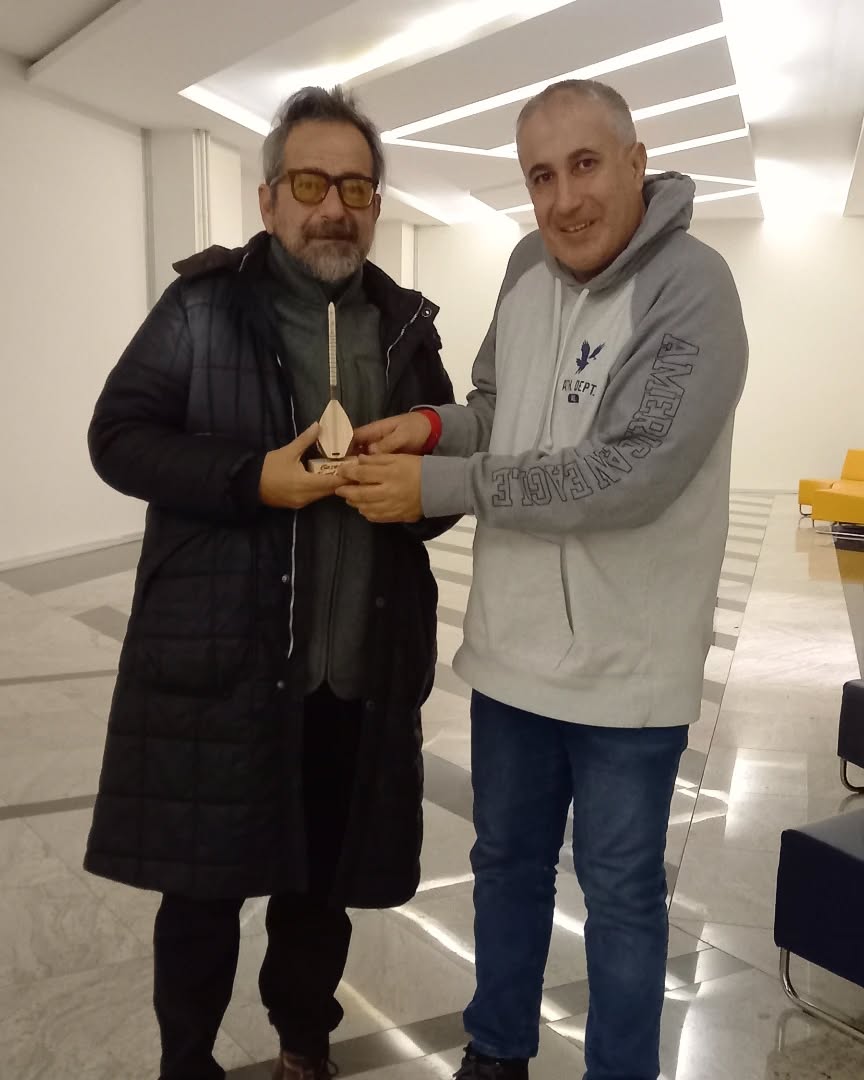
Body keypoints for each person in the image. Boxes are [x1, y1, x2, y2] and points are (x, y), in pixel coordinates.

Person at [341, 79, 748, 1080]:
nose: (564, 199)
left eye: (586, 164)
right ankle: (497, 1052)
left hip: (628, 671)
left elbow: (626, 471)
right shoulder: (527, 265)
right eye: (540, 176)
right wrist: (431, 427)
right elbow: (496, 405)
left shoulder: (693, 288)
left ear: (637, 162)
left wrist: (441, 483)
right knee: (505, 866)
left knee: (620, 895)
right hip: (513, 654)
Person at [84, 85, 456, 1080]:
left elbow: (446, 479)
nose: (334, 207)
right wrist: (253, 477)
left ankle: (304, 1044)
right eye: (311, 183)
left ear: (376, 203)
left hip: (354, 674)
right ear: (268, 199)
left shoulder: (404, 328)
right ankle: (187, 1060)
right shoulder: (202, 307)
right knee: (202, 893)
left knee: (320, 891)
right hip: (224, 668)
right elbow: (118, 438)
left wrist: (413, 495)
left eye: (356, 188)